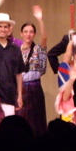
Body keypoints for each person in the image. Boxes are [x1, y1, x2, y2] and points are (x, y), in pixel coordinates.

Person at [17, 7, 48, 136]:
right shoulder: (15, 50)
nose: (28, 34)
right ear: (21, 34)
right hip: (20, 88)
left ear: (34, 34)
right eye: (25, 31)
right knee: (21, 118)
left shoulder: (38, 49)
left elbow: (44, 37)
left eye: (31, 32)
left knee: (36, 120)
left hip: (35, 87)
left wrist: (40, 20)